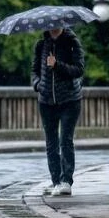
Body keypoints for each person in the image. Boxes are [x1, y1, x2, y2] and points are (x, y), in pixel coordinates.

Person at [31, 25, 85, 197]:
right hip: (46, 101)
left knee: (65, 140)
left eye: (57, 24)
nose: (53, 27)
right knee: (51, 144)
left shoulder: (72, 42)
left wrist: (57, 65)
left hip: (70, 100)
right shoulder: (41, 45)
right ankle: (56, 182)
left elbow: (79, 70)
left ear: (62, 24)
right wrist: (37, 85)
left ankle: (66, 181)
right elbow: (34, 70)